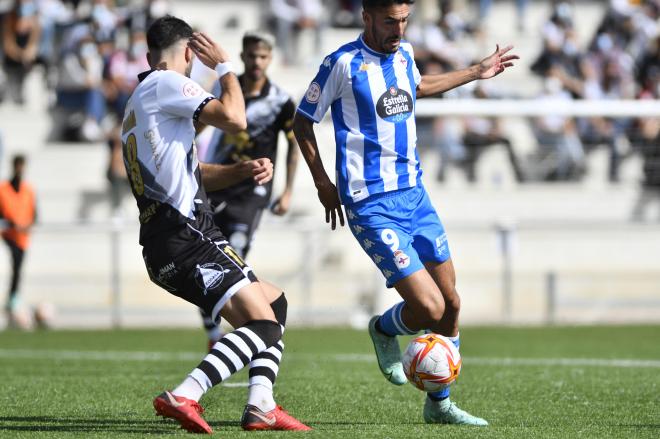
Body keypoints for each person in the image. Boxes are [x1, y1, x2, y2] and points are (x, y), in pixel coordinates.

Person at [293, 0, 518, 426]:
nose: (398, 29)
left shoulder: (406, 54)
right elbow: (303, 121)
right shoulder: (341, 63)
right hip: (369, 203)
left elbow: (419, 86)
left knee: (451, 303)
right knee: (430, 309)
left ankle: (440, 405)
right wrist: (323, 182)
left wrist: (475, 71)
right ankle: (383, 328)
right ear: (367, 18)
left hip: (415, 195)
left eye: (404, 20)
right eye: (389, 21)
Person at [121, 16, 310, 433]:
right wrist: (224, 66)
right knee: (262, 324)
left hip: (171, 240)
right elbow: (235, 118)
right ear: (189, 53)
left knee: (272, 304)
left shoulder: (139, 100)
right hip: (186, 235)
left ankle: (261, 404)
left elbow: (190, 172)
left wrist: (240, 170)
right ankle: (186, 393)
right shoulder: (166, 82)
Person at [199, 30, 299, 349]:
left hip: (253, 190)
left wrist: (287, 191)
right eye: (252, 55)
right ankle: (216, 336)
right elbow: (199, 122)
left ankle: (243, 332)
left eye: (263, 56)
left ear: (270, 59)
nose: (256, 62)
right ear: (242, 56)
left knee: (234, 254)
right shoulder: (227, 89)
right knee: (205, 259)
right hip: (217, 181)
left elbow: (294, 145)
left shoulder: (281, 101)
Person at [0, 155, 36, 329]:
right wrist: (11, 223)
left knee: (18, 267)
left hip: (23, 237)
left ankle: (13, 300)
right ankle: (12, 300)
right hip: (8, 235)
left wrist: (27, 225)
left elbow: (34, 214)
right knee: (15, 264)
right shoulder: (3, 189)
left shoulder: (28, 190)